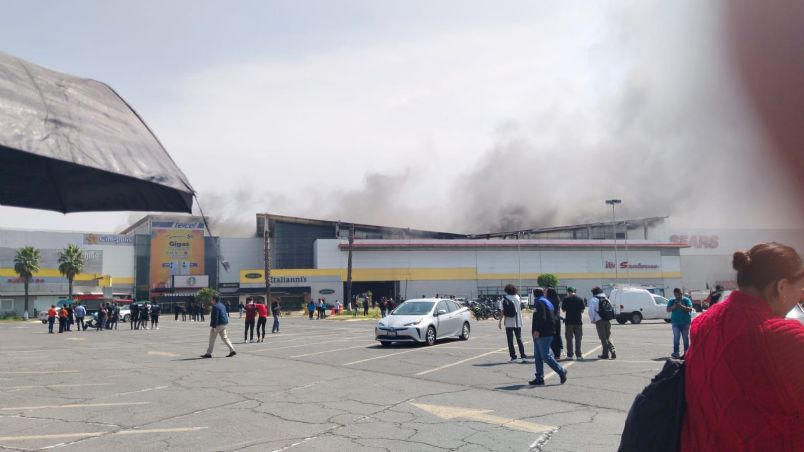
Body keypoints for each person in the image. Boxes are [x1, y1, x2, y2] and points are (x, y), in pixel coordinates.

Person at [681, 242, 804, 450]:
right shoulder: (783, 338)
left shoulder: (704, 323)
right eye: (800, 288)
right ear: (781, 287)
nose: (800, 297)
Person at [529, 288, 567, 386]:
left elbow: (542, 317)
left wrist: (537, 330)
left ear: (534, 294)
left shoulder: (539, 302)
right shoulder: (546, 301)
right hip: (547, 331)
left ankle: (561, 371)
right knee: (538, 357)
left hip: (543, 333)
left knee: (545, 356)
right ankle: (539, 378)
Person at [498, 284, 527, 363]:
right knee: (519, 339)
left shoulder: (504, 299)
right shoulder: (517, 297)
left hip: (508, 322)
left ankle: (513, 357)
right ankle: (523, 356)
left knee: (510, 340)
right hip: (518, 321)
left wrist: (500, 321)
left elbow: (502, 312)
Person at [587, 287, 616, 359]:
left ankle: (605, 354)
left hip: (599, 321)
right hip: (607, 320)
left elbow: (591, 311)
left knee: (603, 338)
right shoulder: (606, 299)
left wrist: (592, 319)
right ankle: (613, 351)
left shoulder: (594, 300)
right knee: (608, 336)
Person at [667, 288, 694, 358]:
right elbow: (668, 310)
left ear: (681, 294)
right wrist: (674, 306)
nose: (677, 296)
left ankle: (686, 352)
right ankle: (676, 353)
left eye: (678, 295)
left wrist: (681, 306)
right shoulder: (672, 300)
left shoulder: (686, 300)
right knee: (676, 338)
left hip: (685, 322)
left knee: (685, 338)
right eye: (675, 295)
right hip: (675, 322)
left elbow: (690, 309)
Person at [561, 286, 585, 360]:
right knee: (578, 339)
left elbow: (563, 310)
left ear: (568, 291)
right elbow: (582, 310)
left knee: (569, 339)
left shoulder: (566, 299)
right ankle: (579, 355)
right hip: (578, 322)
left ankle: (570, 355)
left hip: (569, 322)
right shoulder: (580, 298)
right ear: (575, 291)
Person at [546, 287, 564, 360]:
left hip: (551, 319)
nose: (545, 293)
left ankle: (554, 354)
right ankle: (558, 354)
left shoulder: (548, 300)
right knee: (557, 336)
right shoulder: (557, 298)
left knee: (552, 337)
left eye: (546, 291)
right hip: (557, 319)